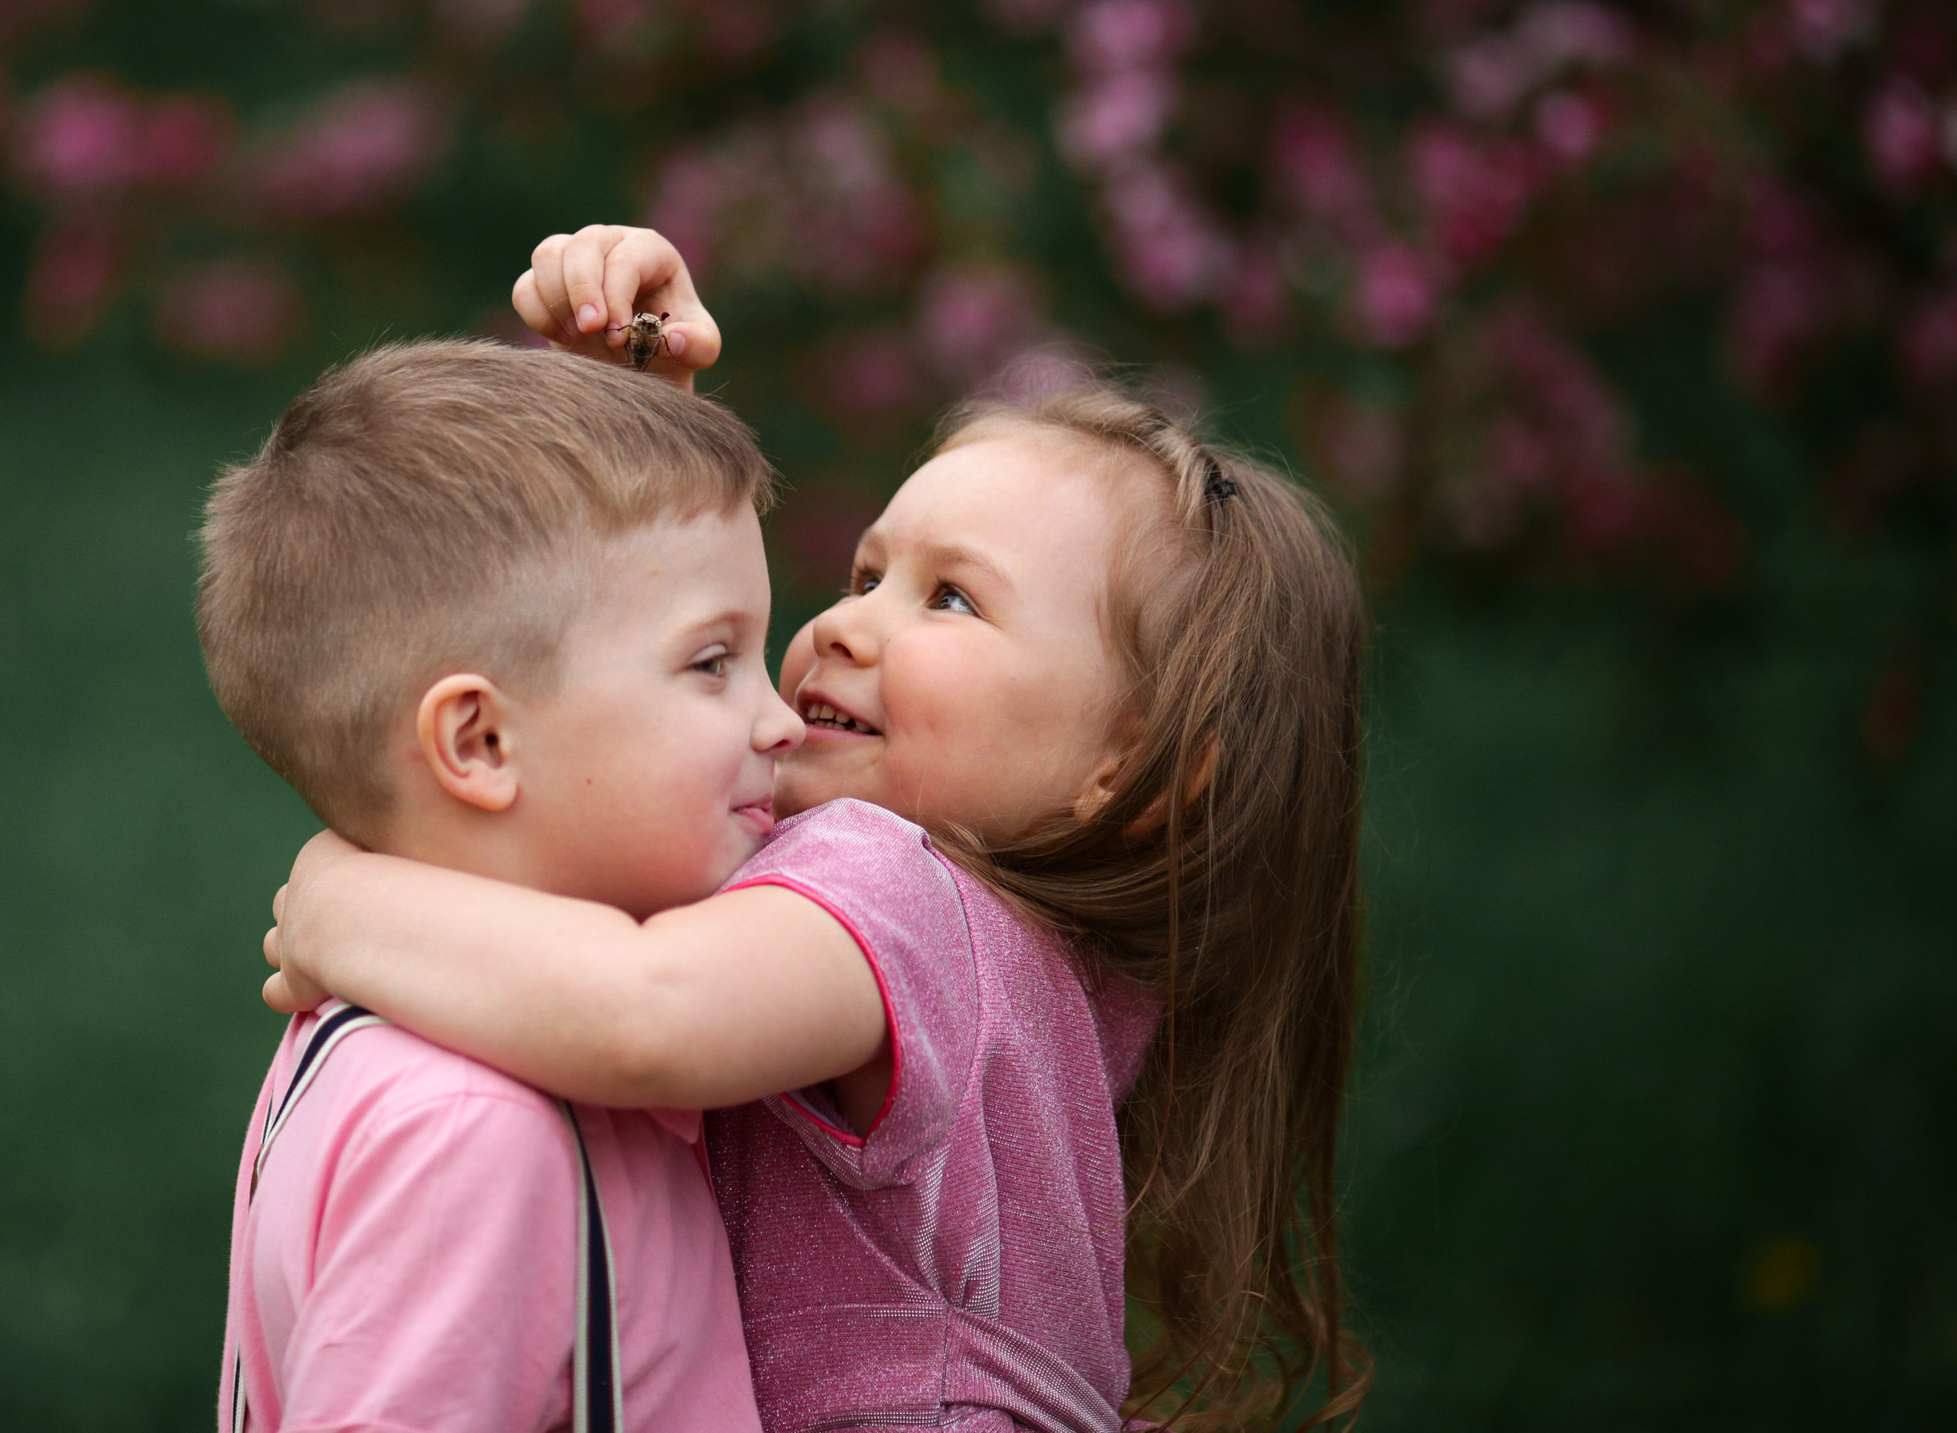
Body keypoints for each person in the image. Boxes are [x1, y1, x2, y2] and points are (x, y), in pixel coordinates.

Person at [263, 228, 1373, 1431]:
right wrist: (640, 422)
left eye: (951, 598)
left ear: (1132, 771)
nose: (846, 627)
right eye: (862, 574)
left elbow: (645, 1014)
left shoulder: (904, 894)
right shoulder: (1042, 971)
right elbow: (638, 815)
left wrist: (343, 902)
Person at [199, 336, 795, 1433]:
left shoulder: (477, 1040)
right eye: (712, 663)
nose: (781, 719)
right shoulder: (473, 1128)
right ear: (476, 741)